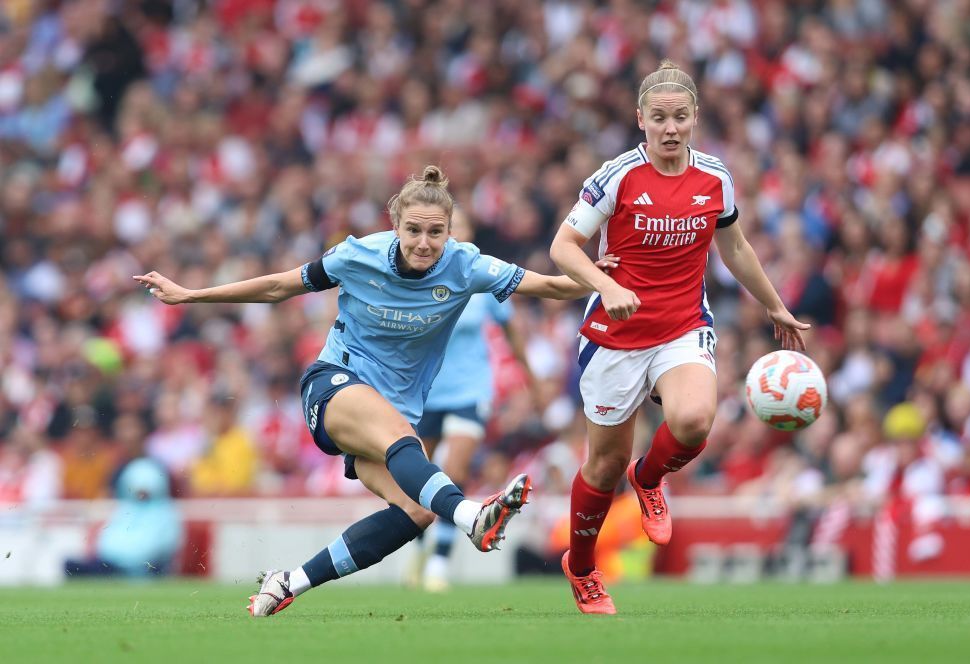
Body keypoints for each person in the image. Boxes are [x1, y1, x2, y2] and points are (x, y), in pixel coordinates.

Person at [134, 165, 612, 617]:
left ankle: (289, 582)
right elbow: (280, 287)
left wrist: (601, 278)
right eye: (414, 231)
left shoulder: (467, 266)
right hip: (332, 386)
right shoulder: (355, 255)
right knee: (402, 444)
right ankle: (471, 517)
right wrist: (192, 295)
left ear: (450, 231)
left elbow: (550, 285)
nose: (424, 243)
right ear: (396, 225)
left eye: (436, 232)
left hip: (390, 411)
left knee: (418, 513)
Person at [549, 60, 810, 615]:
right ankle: (583, 567)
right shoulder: (617, 176)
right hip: (615, 335)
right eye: (660, 117)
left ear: (695, 119)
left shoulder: (715, 177)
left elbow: (734, 246)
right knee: (601, 467)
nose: (671, 128)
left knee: (693, 420)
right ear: (640, 118)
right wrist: (603, 283)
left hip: (682, 327)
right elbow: (563, 246)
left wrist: (775, 306)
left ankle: (649, 478)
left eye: (681, 117)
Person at [411, 208, 539, 592]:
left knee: (454, 470)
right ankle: (418, 550)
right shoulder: (417, 279)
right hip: (426, 392)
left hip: (470, 391)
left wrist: (531, 381)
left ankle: (438, 564)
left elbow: (512, 332)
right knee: (415, 480)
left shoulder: (483, 278)